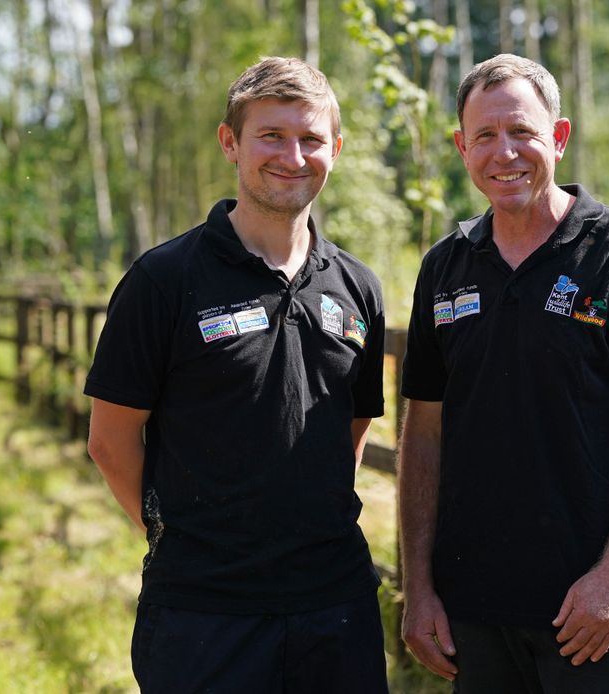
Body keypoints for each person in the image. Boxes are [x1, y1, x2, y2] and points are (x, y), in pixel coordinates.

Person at [84, 56, 389, 694]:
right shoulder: (164, 281)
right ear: (231, 143)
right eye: (271, 136)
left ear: (335, 148)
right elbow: (111, 442)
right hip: (203, 611)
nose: (293, 156)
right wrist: (181, 535)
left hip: (336, 606)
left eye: (310, 139)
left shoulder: (358, 287)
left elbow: (351, 431)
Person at [398, 53, 609, 693]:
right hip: (473, 619)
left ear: (557, 138)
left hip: (592, 620)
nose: (504, 153)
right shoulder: (445, 268)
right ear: (461, 148)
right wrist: (419, 587)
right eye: (484, 136)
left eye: (522, 132)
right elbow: (422, 433)